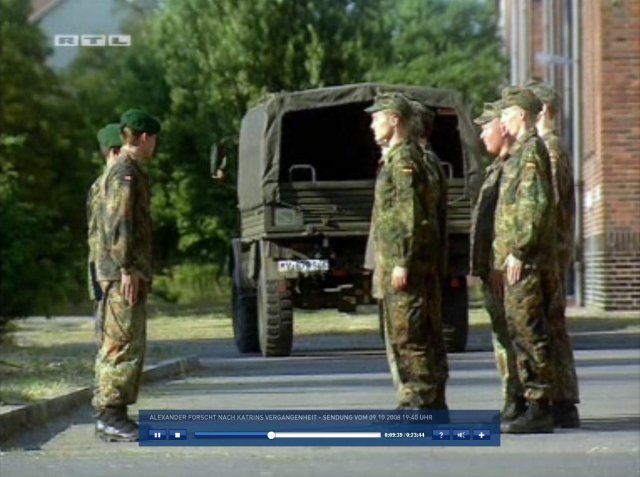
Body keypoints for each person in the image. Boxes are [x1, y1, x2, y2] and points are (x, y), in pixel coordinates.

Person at [366, 92, 448, 410]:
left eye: (377, 118)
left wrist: (402, 259)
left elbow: (408, 213)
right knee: (415, 331)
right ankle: (428, 399)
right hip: (402, 261)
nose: (373, 125)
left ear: (394, 119)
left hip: (404, 263)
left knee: (408, 333)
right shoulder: (401, 158)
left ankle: (419, 400)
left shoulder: (404, 160)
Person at [93, 108, 160, 441]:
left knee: (127, 341)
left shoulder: (129, 171)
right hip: (123, 275)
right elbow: (118, 224)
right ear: (145, 138)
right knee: (120, 343)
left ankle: (114, 414)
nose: (155, 147)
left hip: (126, 273)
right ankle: (110, 414)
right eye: (154, 140)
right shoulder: (124, 174)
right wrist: (127, 267)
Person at [495, 87, 557, 433]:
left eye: (506, 114)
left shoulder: (531, 152)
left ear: (521, 115)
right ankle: (530, 401)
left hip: (526, 260)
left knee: (529, 330)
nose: (502, 120)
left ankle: (540, 406)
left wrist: (519, 250)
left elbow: (534, 206)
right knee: (519, 330)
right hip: (515, 258)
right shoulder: (520, 152)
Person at [526, 79, 580, 428]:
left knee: (551, 326)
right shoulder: (547, 148)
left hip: (552, 252)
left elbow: (553, 206)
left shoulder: (552, 149)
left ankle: (562, 400)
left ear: (543, 111)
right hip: (553, 251)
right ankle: (562, 399)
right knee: (551, 325)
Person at [469, 101, 526, 422]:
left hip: (507, 268)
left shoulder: (516, 165)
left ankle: (522, 400)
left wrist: (509, 257)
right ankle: (512, 396)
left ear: (502, 128)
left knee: (515, 337)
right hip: (494, 267)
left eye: (485, 127)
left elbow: (521, 218)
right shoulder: (497, 169)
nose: (480, 136)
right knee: (503, 337)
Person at [88, 123, 122, 343]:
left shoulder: (100, 185)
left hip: (103, 266)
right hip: (109, 268)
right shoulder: (108, 186)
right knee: (112, 336)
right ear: (115, 151)